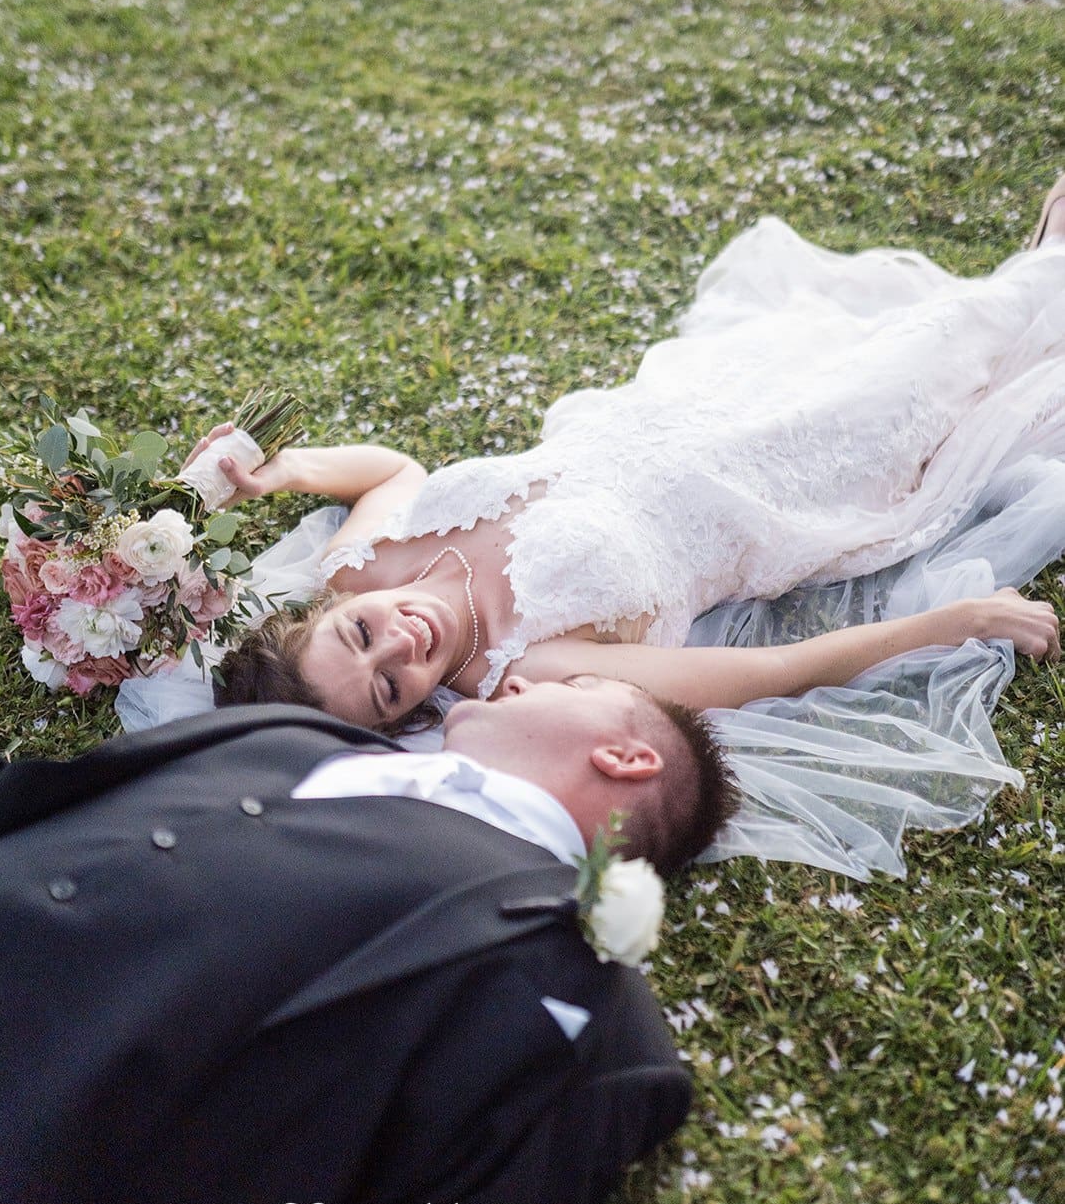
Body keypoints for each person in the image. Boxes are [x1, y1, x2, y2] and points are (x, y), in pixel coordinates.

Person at [118, 177, 1065, 880]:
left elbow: (392, 473)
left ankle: (1033, 275)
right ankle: (1042, 272)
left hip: (665, 413)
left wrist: (287, 472)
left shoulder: (358, 569)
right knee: (937, 365)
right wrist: (949, 623)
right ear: (412, 716)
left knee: (877, 339)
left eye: (359, 637)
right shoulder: (532, 671)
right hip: (780, 482)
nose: (399, 644)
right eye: (394, 688)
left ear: (329, 611)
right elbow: (765, 675)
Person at [0, 676, 737, 1204]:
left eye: (573, 686)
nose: (520, 681)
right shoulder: (290, 730)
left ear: (625, 757)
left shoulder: (589, 996)